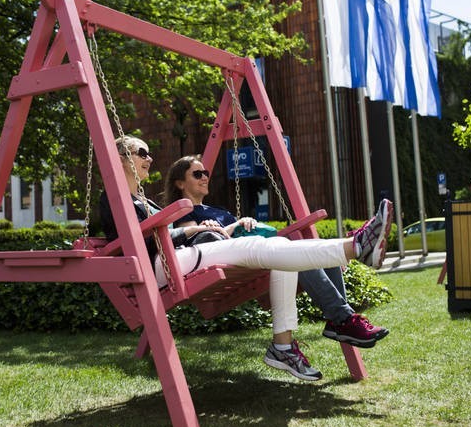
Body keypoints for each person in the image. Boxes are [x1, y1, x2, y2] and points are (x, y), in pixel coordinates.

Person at [99, 136, 393, 382]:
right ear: (120, 158)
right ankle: (356, 246)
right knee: (256, 247)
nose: (149, 158)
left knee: (276, 249)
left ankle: (283, 346)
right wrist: (193, 228)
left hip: (182, 258)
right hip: (163, 267)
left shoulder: (142, 199)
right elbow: (140, 240)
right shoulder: (115, 197)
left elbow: (163, 231)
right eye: (141, 153)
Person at [164, 155, 389, 348]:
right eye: (197, 174)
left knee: (309, 245)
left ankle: (341, 319)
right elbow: (193, 238)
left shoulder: (218, 210)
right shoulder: (181, 212)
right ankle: (343, 317)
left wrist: (244, 221)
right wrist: (228, 229)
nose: (205, 177)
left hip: (253, 250)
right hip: (234, 262)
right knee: (296, 255)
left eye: (205, 172)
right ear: (180, 183)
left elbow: (233, 234)